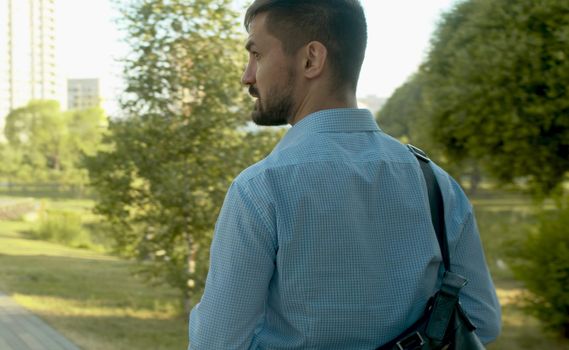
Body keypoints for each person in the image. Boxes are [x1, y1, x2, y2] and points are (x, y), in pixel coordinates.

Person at [188, 0, 501, 349]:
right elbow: (482, 321)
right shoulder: (436, 182)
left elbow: (217, 342)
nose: (248, 76)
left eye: (256, 55)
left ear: (311, 59)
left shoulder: (261, 189)